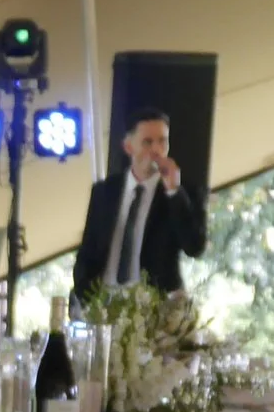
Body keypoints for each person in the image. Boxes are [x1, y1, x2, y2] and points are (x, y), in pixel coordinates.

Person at [75, 110, 206, 298]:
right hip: (105, 302)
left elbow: (195, 247)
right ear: (129, 147)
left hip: (155, 307)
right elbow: (87, 251)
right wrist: (83, 297)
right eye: (147, 142)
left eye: (163, 141)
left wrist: (173, 191)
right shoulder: (105, 192)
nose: (156, 150)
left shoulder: (184, 193)